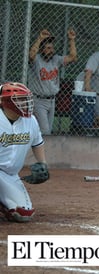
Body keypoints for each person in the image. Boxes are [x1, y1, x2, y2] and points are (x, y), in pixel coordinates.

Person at [0, 82, 48, 222]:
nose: (25, 103)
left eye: (25, 99)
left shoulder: (31, 121)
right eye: (20, 99)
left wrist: (42, 163)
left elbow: (37, 143)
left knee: (23, 214)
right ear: (7, 102)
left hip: (10, 174)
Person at [28, 28, 77, 135]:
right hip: (38, 101)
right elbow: (31, 55)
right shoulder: (37, 60)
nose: (51, 50)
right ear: (41, 50)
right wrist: (40, 39)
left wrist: (72, 40)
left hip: (52, 101)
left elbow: (73, 57)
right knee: (45, 131)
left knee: (47, 130)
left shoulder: (56, 59)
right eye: (48, 48)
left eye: (52, 48)